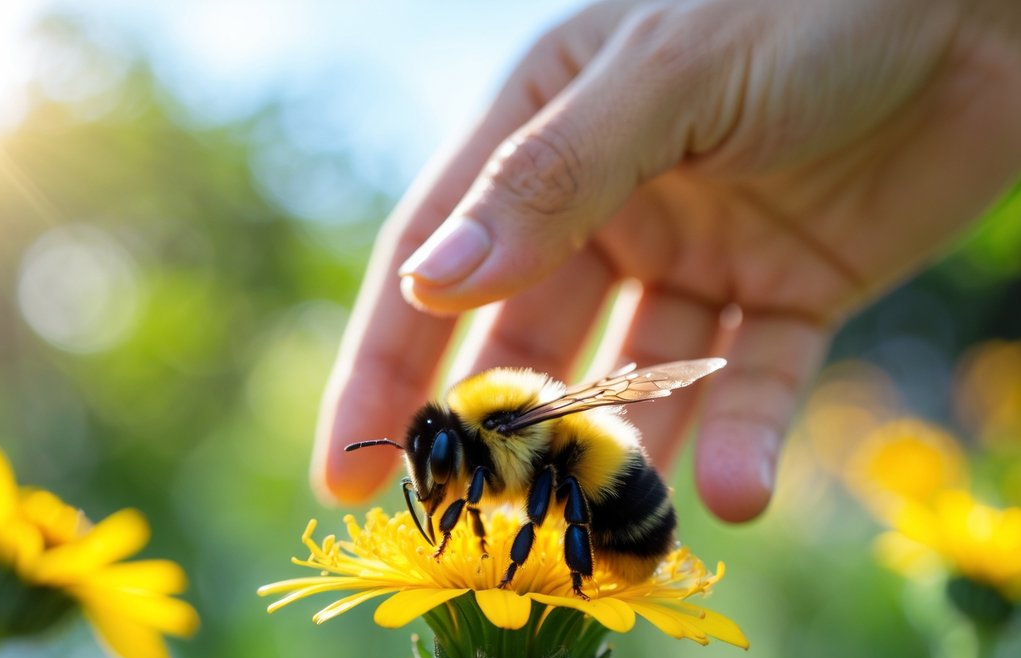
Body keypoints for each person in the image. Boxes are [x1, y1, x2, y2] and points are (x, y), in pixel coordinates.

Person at [311, 0, 1021, 522]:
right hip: (597, 495)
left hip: (611, 499)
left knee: (561, 489)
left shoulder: (498, 434)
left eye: (437, 475)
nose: (439, 487)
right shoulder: (491, 447)